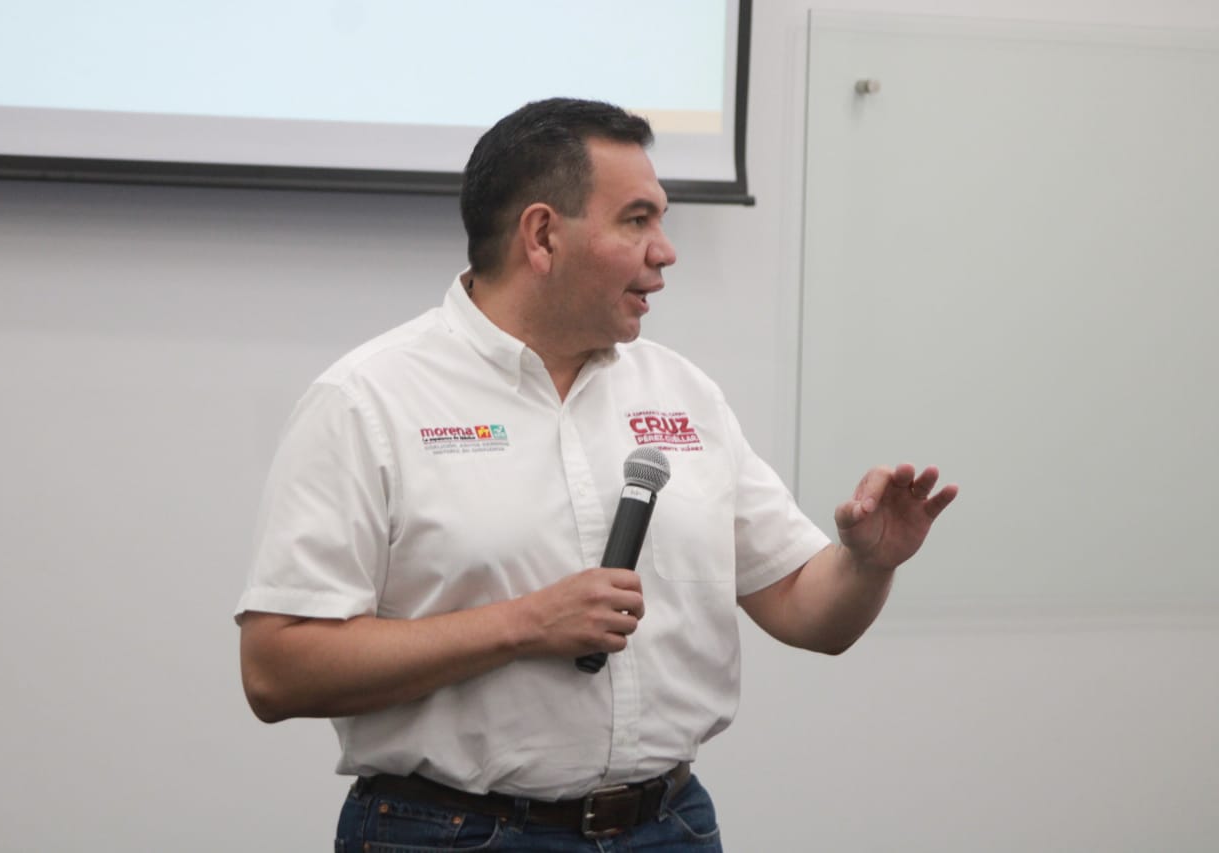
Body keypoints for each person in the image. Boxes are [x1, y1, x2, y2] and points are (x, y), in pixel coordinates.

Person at [235, 97, 957, 851]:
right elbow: (277, 670)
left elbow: (809, 612)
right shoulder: (368, 400)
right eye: (637, 220)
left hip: (669, 826)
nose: (665, 252)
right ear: (543, 235)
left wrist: (867, 564)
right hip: (451, 833)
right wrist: (523, 624)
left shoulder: (683, 393)